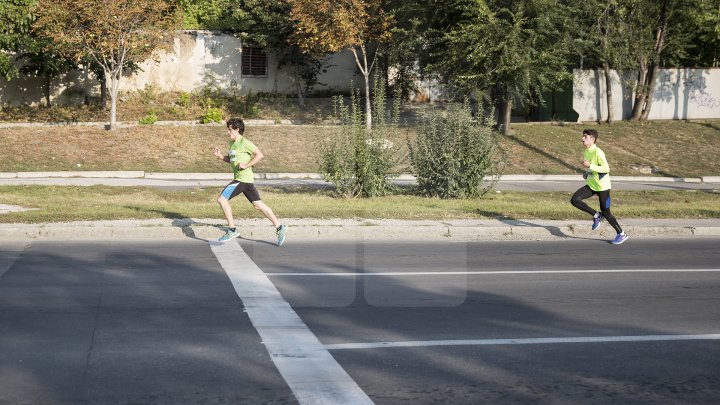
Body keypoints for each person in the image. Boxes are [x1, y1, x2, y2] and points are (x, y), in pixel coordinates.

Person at [213, 117, 287, 245]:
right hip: (245, 181)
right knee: (258, 205)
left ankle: (232, 229)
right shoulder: (232, 144)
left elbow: (259, 155)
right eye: (228, 130)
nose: (228, 132)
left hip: (242, 179)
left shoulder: (245, 142)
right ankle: (280, 227)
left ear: (237, 130)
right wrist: (220, 156)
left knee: (222, 200)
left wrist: (246, 165)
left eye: (230, 130)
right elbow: (232, 160)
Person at [570, 128, 629, 245]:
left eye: (585, 137)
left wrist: (590, 166)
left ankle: (621, 234)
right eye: (583, 136)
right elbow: (591, 168)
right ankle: (596, 215)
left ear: (592, 139)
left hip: (603, 188)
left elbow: (606, 169)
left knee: (607, 213)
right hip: (592, 186)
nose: (582, 139)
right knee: (575, 200)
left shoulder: (598, 152)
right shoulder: (587, 151)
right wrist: (587, 172)